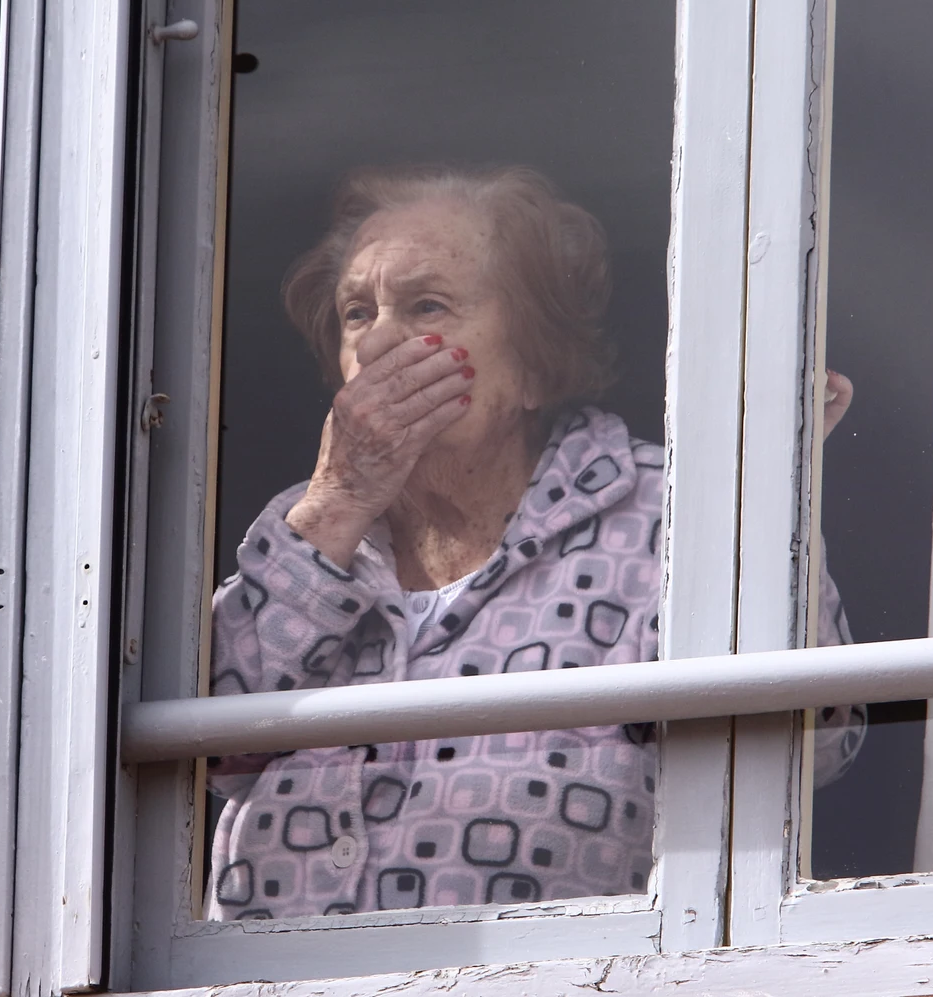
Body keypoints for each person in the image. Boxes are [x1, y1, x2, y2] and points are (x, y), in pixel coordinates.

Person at [206, 165, 863, 919]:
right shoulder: (309, 530)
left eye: (427, 305)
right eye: (357, 313)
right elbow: (207, 758)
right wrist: (340, 500)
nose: (379, 339)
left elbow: (814, 745)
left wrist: (761, 507)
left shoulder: (663, 514)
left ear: (535, 366)